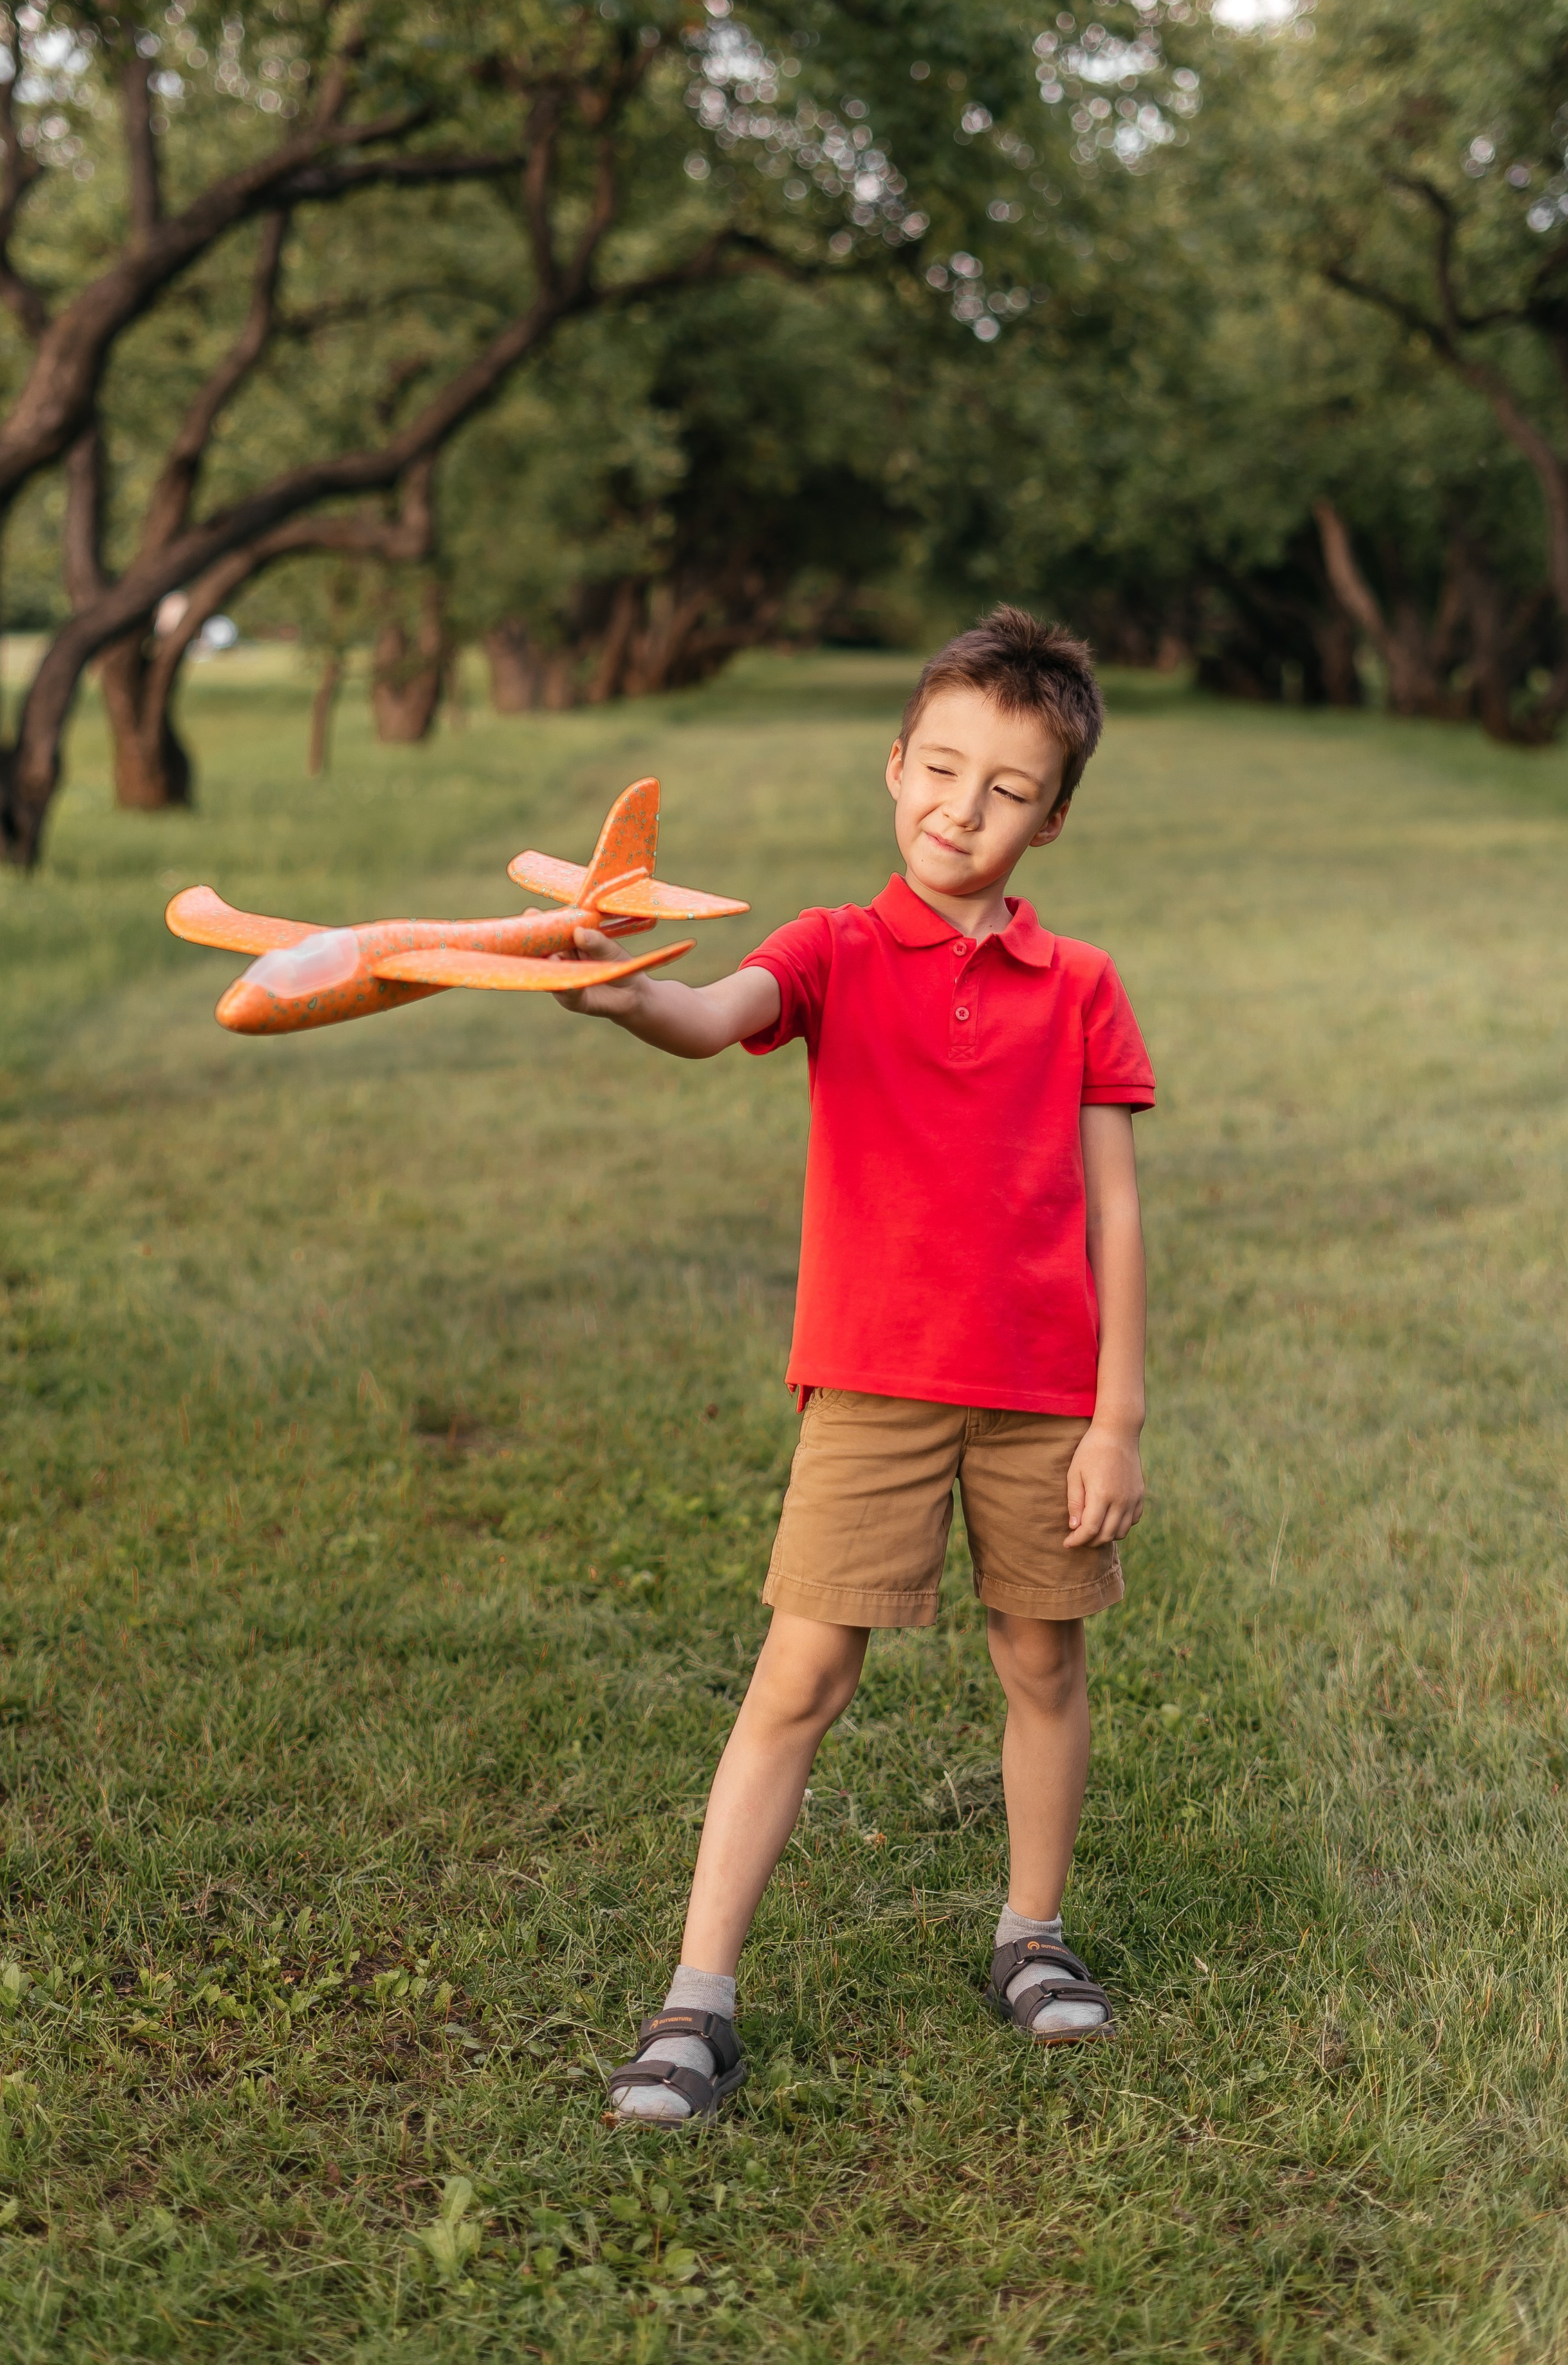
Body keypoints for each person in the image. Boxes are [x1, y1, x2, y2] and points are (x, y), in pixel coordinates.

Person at [557, 609, 1154, 2124]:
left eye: (1004, 788)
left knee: (1040, 1656)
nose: (960, 808)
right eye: (938, 770)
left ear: (1051, 818)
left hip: (1038, 1392)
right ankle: (696, 2004)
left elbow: (1115, 1209)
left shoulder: (1077, 982)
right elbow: (709, 1017)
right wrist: (626, 995)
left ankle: (1031, 1937)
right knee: (801, 1675)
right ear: (894, 768)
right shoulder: (829, 947)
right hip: (874, 1383)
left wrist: (1115, 1416)